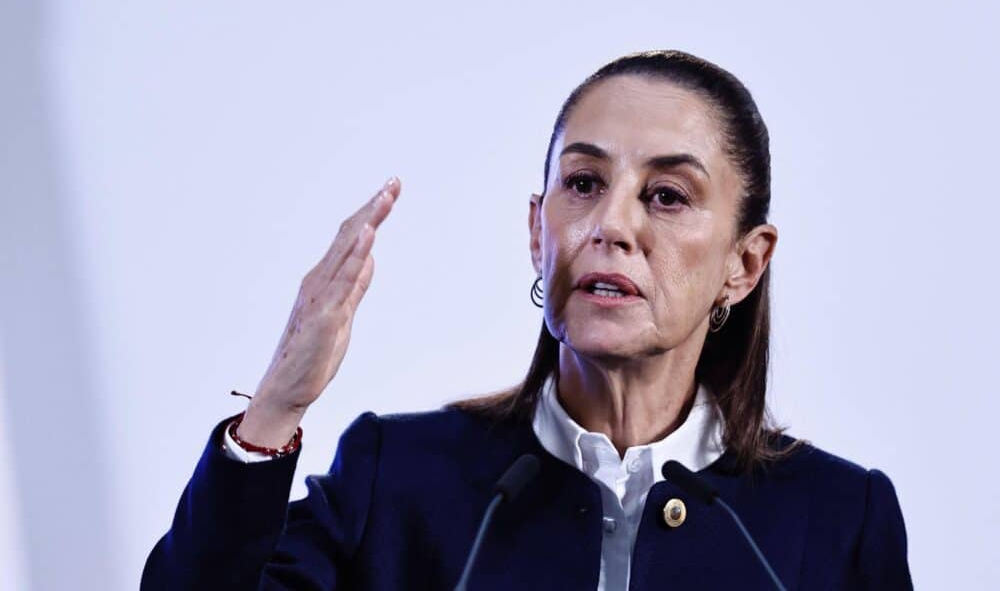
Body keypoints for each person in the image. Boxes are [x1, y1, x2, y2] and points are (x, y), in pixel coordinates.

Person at [141, 49, 913, 590]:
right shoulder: (396, 478)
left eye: (667, 196)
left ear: (744, 264)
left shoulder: (841, 520)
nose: (610, 224)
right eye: (583, 182)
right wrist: (278, 405)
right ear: (537, 230)